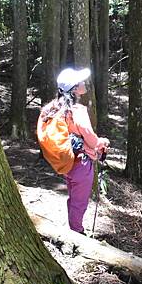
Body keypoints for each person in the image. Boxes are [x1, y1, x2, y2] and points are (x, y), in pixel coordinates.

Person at [39, 68, 109, 234]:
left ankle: (73, 229)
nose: (84, 83)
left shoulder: (55, 109)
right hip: (82, 164)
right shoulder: (77, 111)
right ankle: (76, 232)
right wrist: (102, 142)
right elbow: (90, 138)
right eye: (81, 82)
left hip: (68, 162)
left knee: (73, 198)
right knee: (80, 201)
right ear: (75, 88)